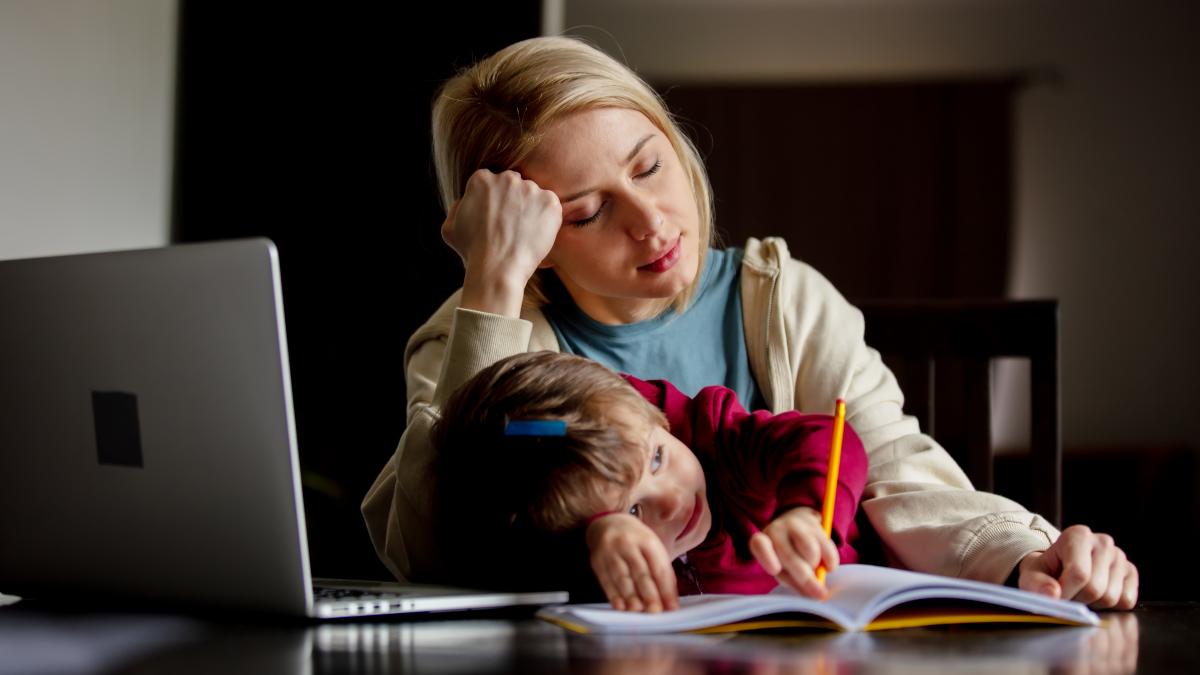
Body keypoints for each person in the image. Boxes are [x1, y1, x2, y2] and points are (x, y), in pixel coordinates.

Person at [362, 35, 1138, 610]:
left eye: (649, 165)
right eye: (588, 211)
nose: (649, 221)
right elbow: (428, 554)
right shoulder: (483, 332)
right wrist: (492, 289)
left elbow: (894, 471)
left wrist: (1028, 557)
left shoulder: (784, 300)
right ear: (530, 244)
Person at [431, 351, 868, 612]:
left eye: (657, 458)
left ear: (657, 419)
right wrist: (597, 532)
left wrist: (804, 512)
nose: (672, 502)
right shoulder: (574, 545)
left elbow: (825, 438)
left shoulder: (720, 443)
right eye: (634, 511)